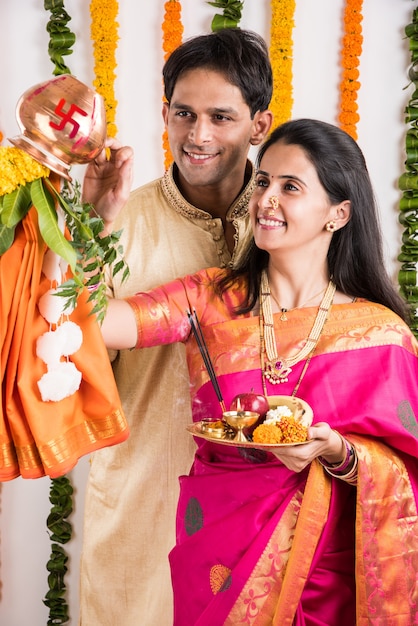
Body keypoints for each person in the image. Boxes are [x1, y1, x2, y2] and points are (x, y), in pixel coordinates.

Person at [99, 118, 418, 625]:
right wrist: (98, 218)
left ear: (338, 214)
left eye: (290, 186)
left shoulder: (381, 334)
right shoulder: (209, 297)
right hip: (220, 553)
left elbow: (407, 474)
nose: (266, 199)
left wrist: (337, 451)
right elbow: (94, 325)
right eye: (264, 181)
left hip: (326, 571)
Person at [79, 28, 273, 625]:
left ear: (259, 125)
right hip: (142, 504)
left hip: (258, 511)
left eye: (222, 116)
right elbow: (66, 358)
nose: (199, 136)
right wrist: (84, 234)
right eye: (184, 114)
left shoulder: (288, 222)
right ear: (164, 113)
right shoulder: (118, 218)